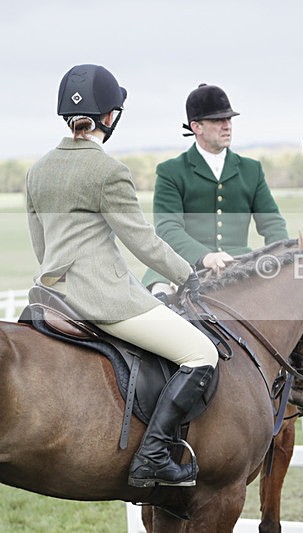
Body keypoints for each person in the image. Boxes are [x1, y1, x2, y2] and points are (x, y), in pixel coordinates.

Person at [26, 64, 218, 487]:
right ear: (110, 118)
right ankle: (152, 456)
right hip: (103, 300)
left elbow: (42, 246)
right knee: (201, 354)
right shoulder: (108, 171)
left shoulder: (37, 170)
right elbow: (142, 242)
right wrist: (186, 273)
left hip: (51, 297)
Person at [142, 83, 288, 291]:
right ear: (196, 127)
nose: (227, 125)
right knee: (159, 303)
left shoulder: (251, 169)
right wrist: (205, 257)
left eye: (228, 119)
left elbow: (272, 222)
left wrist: (282, 257)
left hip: (239, 263)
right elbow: (168, 228)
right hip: (182, 266)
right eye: (218, 120)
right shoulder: (171, 171)